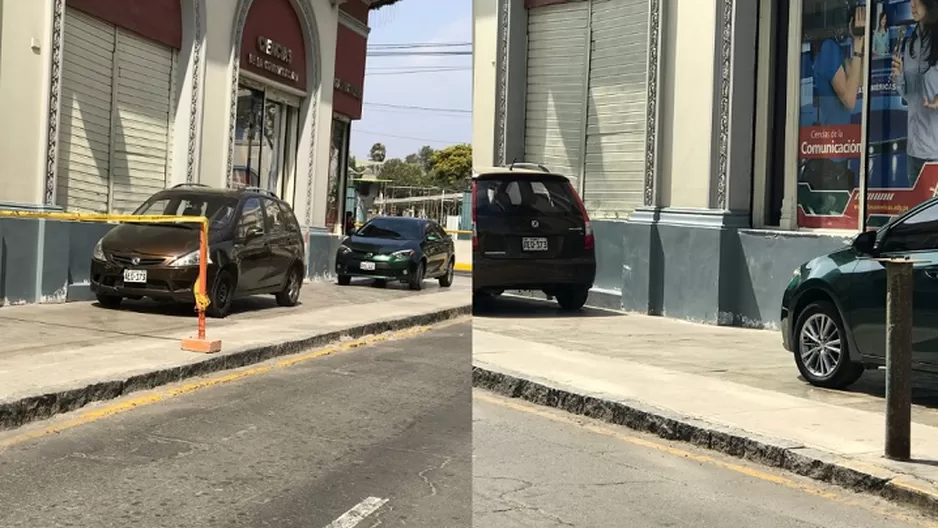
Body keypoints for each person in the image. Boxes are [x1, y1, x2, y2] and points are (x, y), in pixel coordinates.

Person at [892, 0, 938, 186]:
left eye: (917, 0)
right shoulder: (911, 42)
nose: (911, 4)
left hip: (935, 153)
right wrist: (899, 77)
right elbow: (909, 96)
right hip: (913, 152)